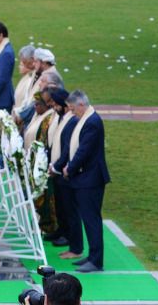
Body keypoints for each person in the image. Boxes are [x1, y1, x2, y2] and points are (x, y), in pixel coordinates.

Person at [62, 90, 109, 272]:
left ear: (81, 105)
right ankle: (92, 255)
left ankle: (96, 260)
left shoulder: (92, 122)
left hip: (91, 179)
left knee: (91, 219)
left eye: (73, 109)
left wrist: (70, 168)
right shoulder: (86, 119)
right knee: (88, 219)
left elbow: (84, 150)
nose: (73, 113)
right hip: (85, 177)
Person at [26, 91, 59, 237]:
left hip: (45, 162)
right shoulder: (40, 116)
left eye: (38, 104)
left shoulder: (48, 119)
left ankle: (49, 225)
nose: (35, 107)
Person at [45, 87, 75, 248]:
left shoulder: (70, 120)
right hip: (56, 166)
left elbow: (66, 148)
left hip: (63, 169)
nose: (54, 108)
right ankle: (61, 229)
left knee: (66, 205)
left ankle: (68, 234)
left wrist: (57, 166)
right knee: (59, 203)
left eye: (56, 105)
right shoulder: (61, 117)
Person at [13, 45, 41, 116]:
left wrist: (21, 114)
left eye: (25, 62)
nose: (24, 65)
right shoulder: (31, 75)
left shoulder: (34, 77)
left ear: (32, 59)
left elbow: (33, 99)